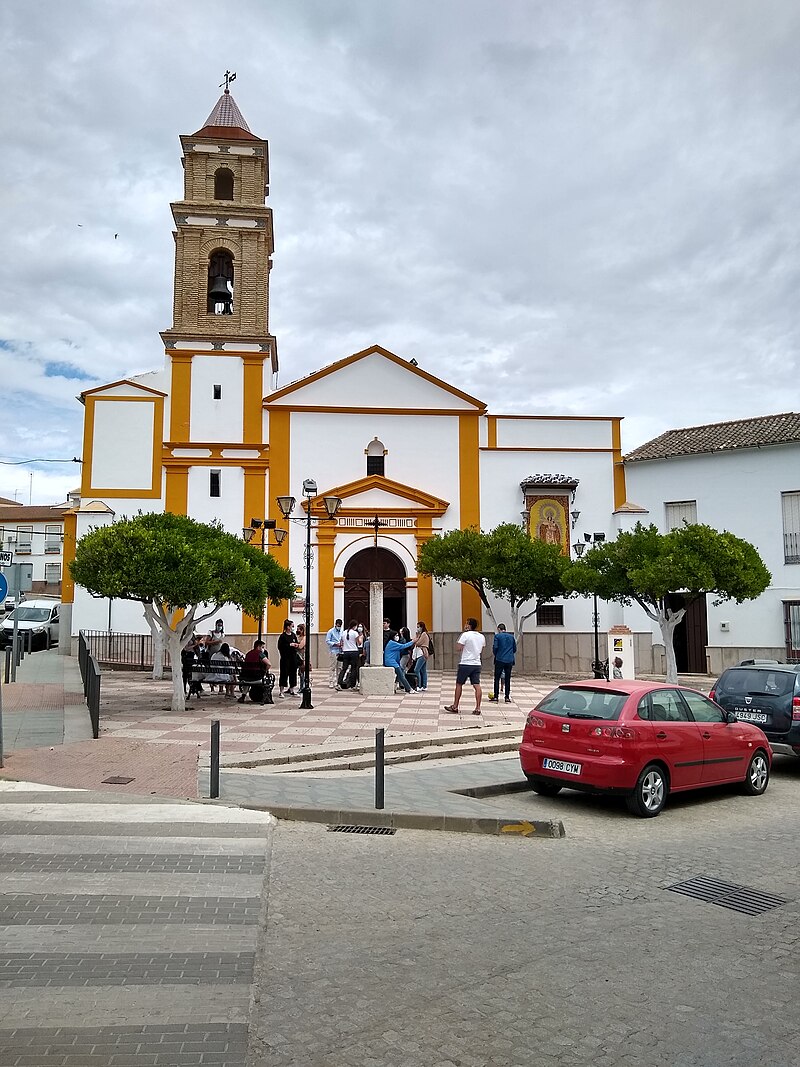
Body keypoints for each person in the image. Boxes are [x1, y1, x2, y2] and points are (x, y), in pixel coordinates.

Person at [445, 618, 486, 715]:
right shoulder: (481, 636)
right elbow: (482, 648)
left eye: (466, 623)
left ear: (469, 625)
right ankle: (478, 708)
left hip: (465, 663)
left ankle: (455, 706)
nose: (465, 625)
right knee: (476, 685)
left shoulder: (465, 635)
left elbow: (458, 648)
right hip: (476, 663)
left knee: (459, 684)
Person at [488, 623, 516, 703]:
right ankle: (507, 697)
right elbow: (514, 649)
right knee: (507, 678)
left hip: (500, 659)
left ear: (499, 629)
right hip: (509, 660)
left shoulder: (497, 636)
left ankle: (496, 696)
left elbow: (495, 647)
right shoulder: (511, 637)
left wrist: (496, 654)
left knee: (497, 678)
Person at [337, 621, 362, 690]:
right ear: (354, 626)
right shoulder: (355, 633)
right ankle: (352, 685)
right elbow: (359, 643)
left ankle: (339, 683)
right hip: (354, 651)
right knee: (354, 668)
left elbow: (341, 643)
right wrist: (360, 637)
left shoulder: (344, 632)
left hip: (345, 652)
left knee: (344, 668)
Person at [277, 619, 299, 697]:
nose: (293, 628)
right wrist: (289, 645)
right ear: (288, 627)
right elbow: (280, 646)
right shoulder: (282, 636)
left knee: (293, 673)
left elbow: (297, 643)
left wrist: (296, 645)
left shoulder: (293, 635)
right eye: (292, 626)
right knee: (284, 673)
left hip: (293, 657)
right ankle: (281, 691)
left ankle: (292, 689)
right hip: (285, 658)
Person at [411, 621, 431, 691]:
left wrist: (416, 638)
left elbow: (418, 643)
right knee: (423, 670)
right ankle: (424, 686)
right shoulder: (421, 634)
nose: (417, 628)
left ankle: (419, 685)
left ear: (422, 627)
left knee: (416, 670)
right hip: (422, 654)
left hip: (422, 654)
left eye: (418, 627)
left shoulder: (424, 634)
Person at [325, 618, 343, 688]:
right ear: (335, 624)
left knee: (339, 667)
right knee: (332, 667)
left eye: (340, 626)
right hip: (333, 651)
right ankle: (331, 681)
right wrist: (335, 644)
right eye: (338, 625)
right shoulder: (331, 631)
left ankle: (338, 681)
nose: (339, 627)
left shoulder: (342, 631)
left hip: (340, 651)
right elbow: (327, 641)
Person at [295, 623, 307, 692]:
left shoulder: (304, 638)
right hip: (297, 656)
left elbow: (300, 646)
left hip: (302, 656)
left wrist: (295, 645)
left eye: (299, 629)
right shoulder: (298, 636)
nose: (297, 631)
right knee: (299, 672)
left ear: (302, 630)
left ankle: (303, 686)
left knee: (302, 672)